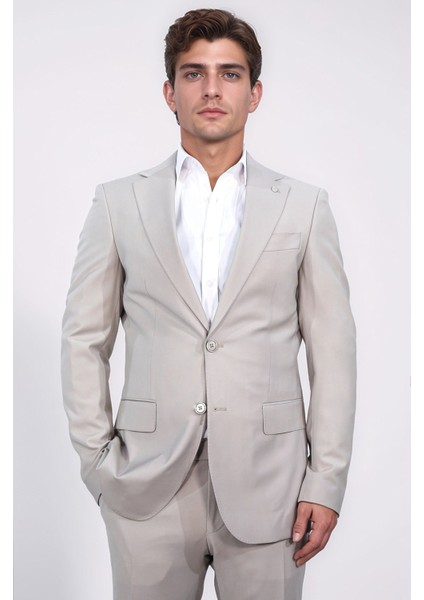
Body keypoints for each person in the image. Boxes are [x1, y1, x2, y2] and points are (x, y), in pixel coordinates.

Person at [61, 8, 356, 600]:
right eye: (194, 74)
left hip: (272, 485)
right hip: (146, 484)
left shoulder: (304, 207)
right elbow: (83, 339)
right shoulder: (119, 204)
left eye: (230, 73)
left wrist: (325, 482)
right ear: (170, 93)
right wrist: (99, 462)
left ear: (255, 93)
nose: (213, 89)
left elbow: (333, 354)